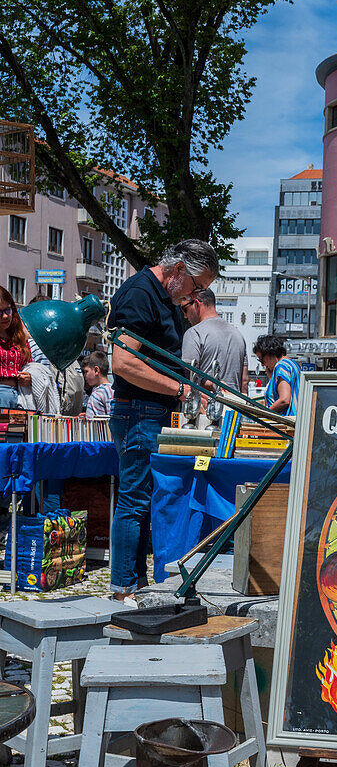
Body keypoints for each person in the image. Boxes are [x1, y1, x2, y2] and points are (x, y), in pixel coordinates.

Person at [107, 239, 219, 603]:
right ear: (178, 270)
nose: (196, 295)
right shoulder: (141, 293)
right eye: (197, 285)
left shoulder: (165, 297)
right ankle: (124, 586)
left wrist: (188, 382)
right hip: (139, 410)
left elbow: (163, 357)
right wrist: (179, 388)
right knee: (135, 498)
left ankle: (136, 584)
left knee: (144, 498)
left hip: (151, 409)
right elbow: (123, 363)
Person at [181, 287, 248, 394]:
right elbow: (244, 382)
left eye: (185, 309)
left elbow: (189, 379)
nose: (185, 316)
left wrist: (214, 384)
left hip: (204, 407)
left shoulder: (194, 333)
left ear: (197, 304)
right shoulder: (238, 335)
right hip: (233, 407)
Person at [252, 335, 300, 417]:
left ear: (269, 353)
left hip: (286, 423)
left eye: (261, 359)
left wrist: (264, 414)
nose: (262, 364)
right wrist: (271, 377)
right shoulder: (292, 364)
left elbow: (284, 400)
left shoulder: (281, 367)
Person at [0, 286, 31, 408]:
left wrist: (29, 377)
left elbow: (29, 366)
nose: (5, 316)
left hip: (21, 396)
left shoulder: (19, 336)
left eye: (8, 310)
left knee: (19, 428)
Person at [81, 351, 113, 417]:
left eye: (86, 371)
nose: (84, 375)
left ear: (96, 370)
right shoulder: (112, 390)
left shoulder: (97, 394)